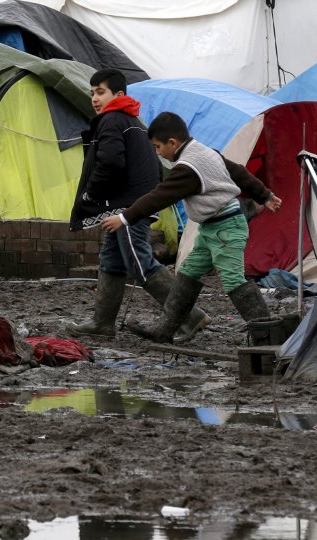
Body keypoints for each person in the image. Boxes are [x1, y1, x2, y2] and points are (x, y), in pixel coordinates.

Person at [100, 111, 283, 343]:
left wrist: (124, 218)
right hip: (210, 228)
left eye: (158, 147)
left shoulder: (187, 168)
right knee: (188, 272)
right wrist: (264, 194)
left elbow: (159, 196)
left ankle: (267, 334)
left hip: (226, 228)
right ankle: (166, 328)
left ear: (173, 143)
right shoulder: (205, 151)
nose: (157, 153)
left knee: (233, 279)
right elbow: (237, 171)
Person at [68, 69, 208, 339]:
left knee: (139, 262)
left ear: (118, 95)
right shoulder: (132, 121)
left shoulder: (111, 120)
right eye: (92, 92)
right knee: (112, 260)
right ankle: (102, 323)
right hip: (130, 204)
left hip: (127, 207)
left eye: (101, 92)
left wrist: (91, 195)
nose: (95, 98)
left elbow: (110, 161)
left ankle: (191, 317)